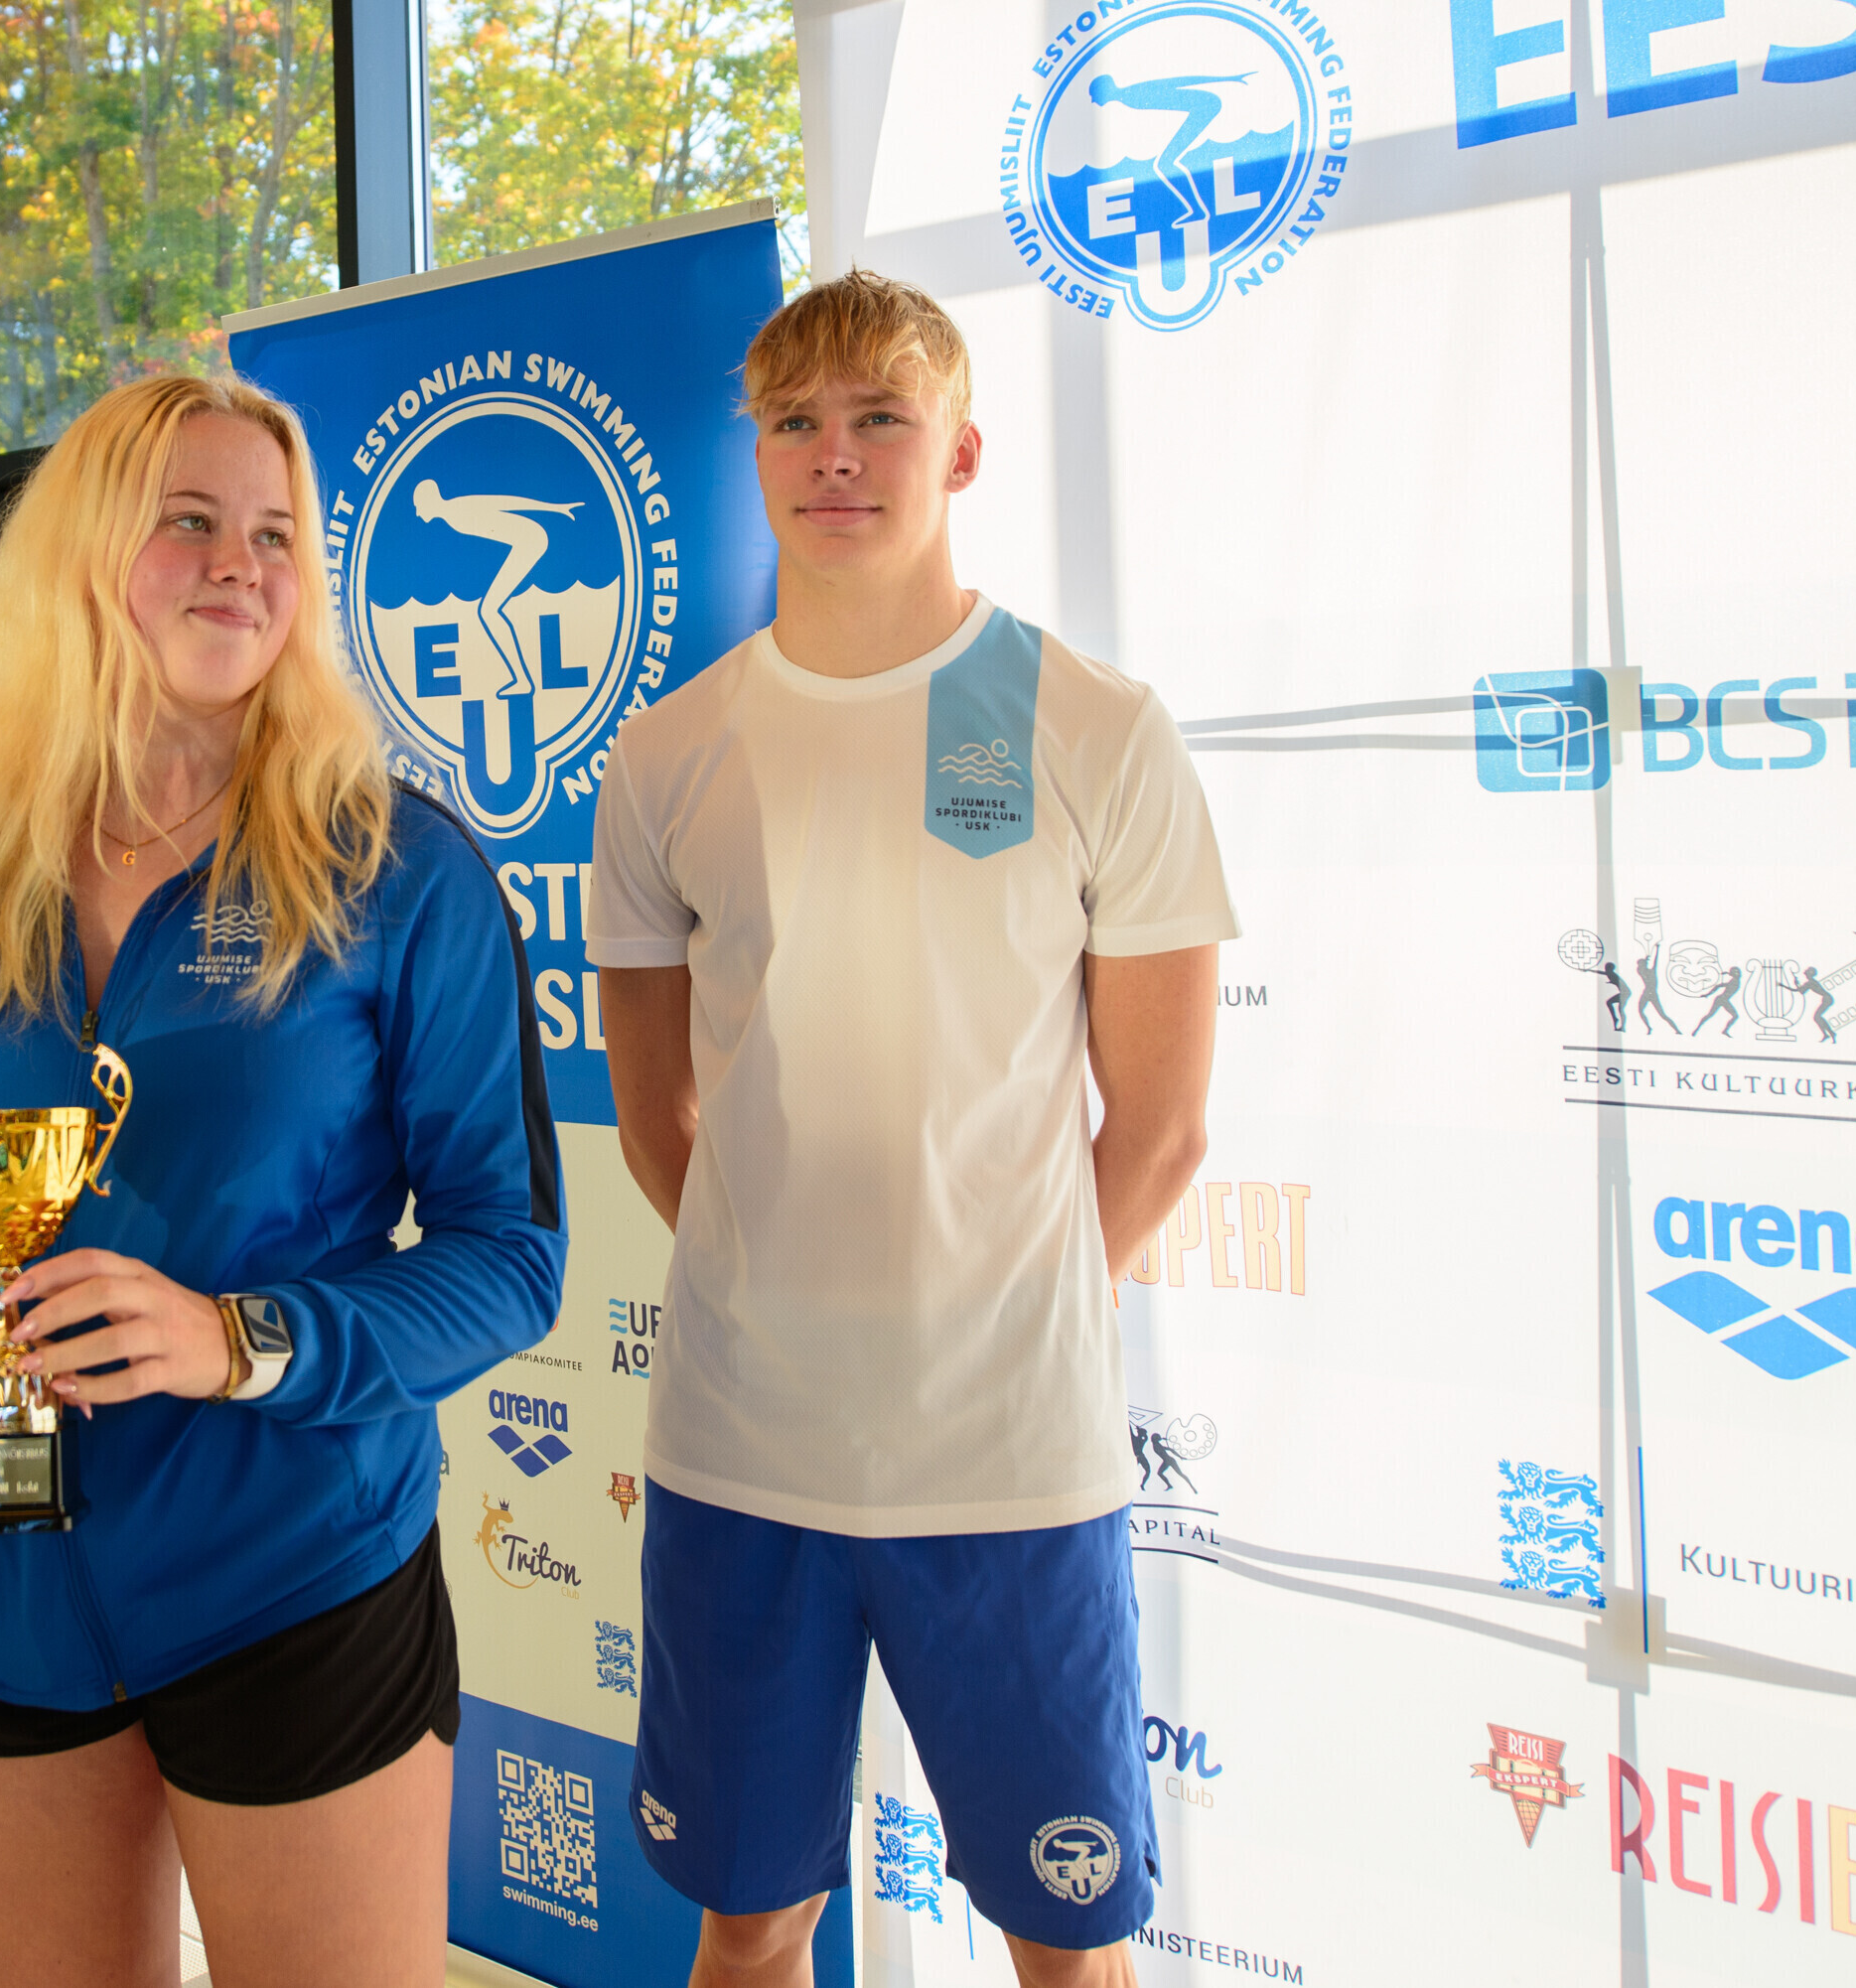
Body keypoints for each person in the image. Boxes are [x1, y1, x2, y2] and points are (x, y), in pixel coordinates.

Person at [0, 372, 565, 1988]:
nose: (242, 564)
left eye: (277, 535)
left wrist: (239, 1340)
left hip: (295, 1579)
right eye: (191, 520)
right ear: (83, 553)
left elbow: (509, 1254)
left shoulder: (396, 868)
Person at [588, 271, 1236, 1988]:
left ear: (961, 451)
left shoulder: (1094, 726)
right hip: (742, 1454)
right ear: (756, 451)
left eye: (881, 416)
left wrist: (997, 1314)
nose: (836, 454)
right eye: (796, 421)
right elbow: (658, 1117)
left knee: (1067, 1942)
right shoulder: (668, 755)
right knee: (750, 1925)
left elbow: (1162, 1129)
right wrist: (789, 1301)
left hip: (1011, 1462)